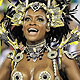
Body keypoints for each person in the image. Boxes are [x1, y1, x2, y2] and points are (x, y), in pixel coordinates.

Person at [0, 0, 80, 80]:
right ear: (22, 26)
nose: (32, 23)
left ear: (48, 27)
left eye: (39, 19)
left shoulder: (61, 59)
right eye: (27, 19)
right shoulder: (12, 59)